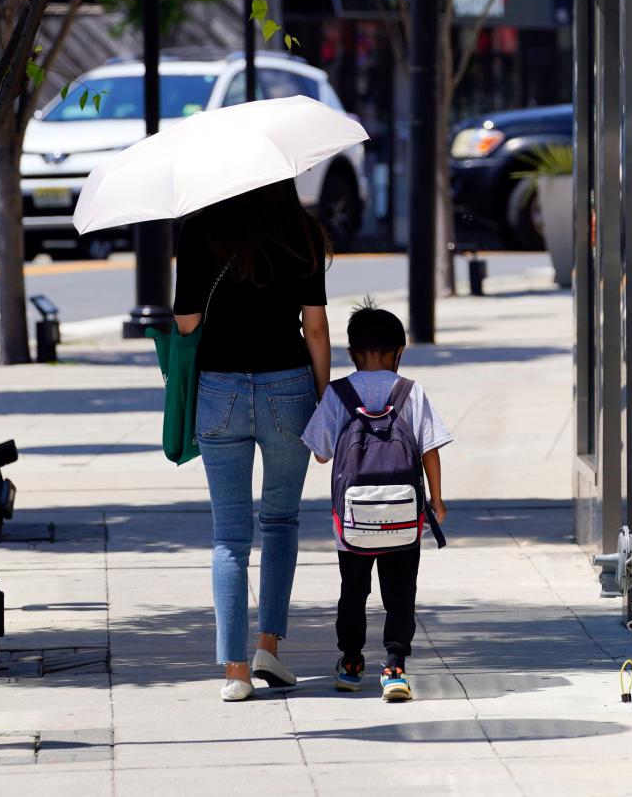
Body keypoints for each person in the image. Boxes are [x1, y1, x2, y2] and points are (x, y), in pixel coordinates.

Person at [173, 179, 331, 702]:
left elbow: (186, 320)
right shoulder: (300, 231)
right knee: (282, 520)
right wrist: (323, 397)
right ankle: (268, 646)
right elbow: (315, 327)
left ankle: (235, 671)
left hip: (220, 390)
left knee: (229, 537)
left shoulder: (199, 231)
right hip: (288, 385)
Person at [301, 303, 452, 702]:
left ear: (350, 353)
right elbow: (430, 448)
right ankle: (395, 667)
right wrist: (436, 500)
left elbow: (320, 453)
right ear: (399, 351)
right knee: (400, 591)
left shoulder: (339, 393)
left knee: (353, 590)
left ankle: (351, 662)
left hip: (352, 522)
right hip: (404, 519)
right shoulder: (410, 391)